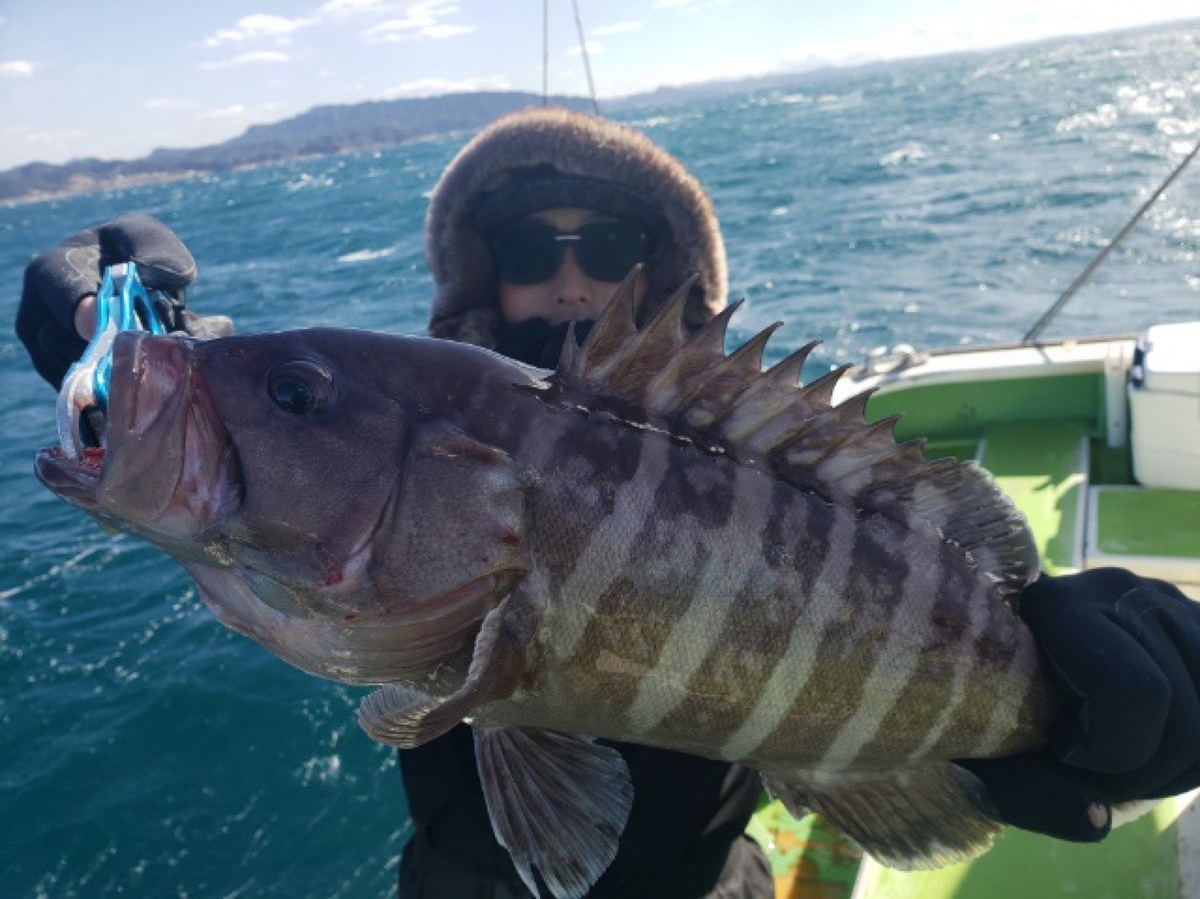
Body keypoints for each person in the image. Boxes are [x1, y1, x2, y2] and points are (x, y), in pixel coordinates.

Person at [16, 106, 1200, 897]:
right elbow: (239, 414)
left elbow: (312, 423)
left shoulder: (677, 447)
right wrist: (102, 334)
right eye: (531, 246)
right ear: (483, 278)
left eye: (617, 244)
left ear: (671, 269)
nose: (571, 278)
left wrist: (1112, 677)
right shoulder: (409, 406)